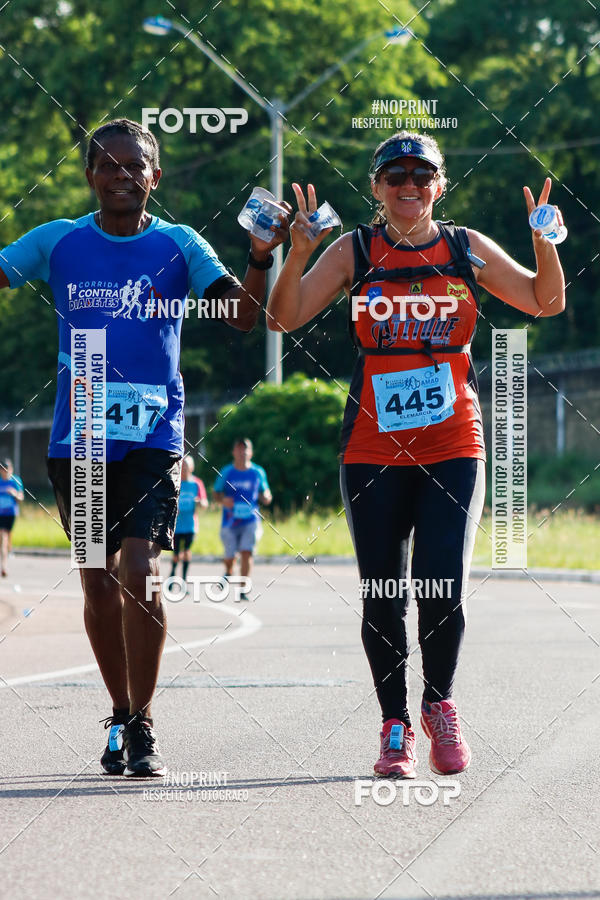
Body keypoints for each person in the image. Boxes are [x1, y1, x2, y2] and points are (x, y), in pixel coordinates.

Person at [267, 131, 565, 777]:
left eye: (422, 174)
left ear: (440, 184)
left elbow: (545, 300)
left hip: (453, 441)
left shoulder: (463, 248)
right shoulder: (354, 250)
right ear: (376, 187)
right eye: (396, 175)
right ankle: (394, 725)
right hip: (372, 447)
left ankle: (439, 704)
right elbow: (282, 318)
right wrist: (297, 255)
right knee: (382, 591)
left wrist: (545, 243)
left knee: (443, 584)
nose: (409, 185)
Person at [0, 118, 289, 776]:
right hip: (80, 439)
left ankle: (143, 723)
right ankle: (120, 710)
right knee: (98, 583)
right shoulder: (58, 240)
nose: (122, 176)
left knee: (140, 571)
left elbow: (243, 316)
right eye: (108, 165)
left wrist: (260, 256)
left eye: (135, 166)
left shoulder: (179, 244)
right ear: (89, 176)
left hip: (155, 436)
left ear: (155, 176)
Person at [213, 438, 272, 599]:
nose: (242, 452)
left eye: (245, 449)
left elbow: (265, 491)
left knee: (247, 552)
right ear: (233, 452)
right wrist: (222, 500)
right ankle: (229, 570)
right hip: (230, 521)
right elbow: (216, 493)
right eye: (239, 449)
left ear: (251, 453)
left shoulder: (257, 472)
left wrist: (266, 496)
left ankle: (243, 589)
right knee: (230, 556)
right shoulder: (227, 472)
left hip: (251, 520)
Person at [170, 454, 208, 585]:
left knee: (186, 551)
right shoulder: (175, 481)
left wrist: (200, 502)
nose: (185, 469)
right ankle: (173, 573)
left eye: (187, 466)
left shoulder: (197, 483)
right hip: (176, 525)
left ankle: (184, 579)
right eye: (183, 466)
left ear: (192, 468)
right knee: (176, 554)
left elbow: (205, 503)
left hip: (191, 524)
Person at [0, 459, 24, 577]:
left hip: (11, 513)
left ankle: (8, 552)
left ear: (11, 469)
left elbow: (21, 498)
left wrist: (14, 493)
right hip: (0, 514)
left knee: (7, 538)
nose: (6, 472)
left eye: (8, 469)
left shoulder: (16, 481)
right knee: (3, 536)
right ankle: (4, 567)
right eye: (3, 469)